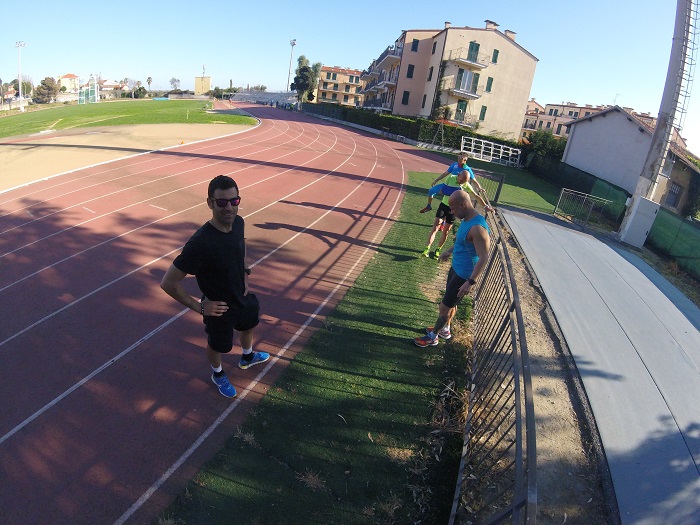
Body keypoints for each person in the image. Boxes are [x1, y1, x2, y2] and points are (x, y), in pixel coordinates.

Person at [160, 175, 270, 398]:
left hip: (242, 295)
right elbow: (168, 283)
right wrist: (200, 307)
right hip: (219, 307)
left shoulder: (238, 223)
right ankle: (217, 373)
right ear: (210, 203)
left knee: (249, 325)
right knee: (218, 345)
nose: (228, 207)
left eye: (234, 201)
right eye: (221, 202)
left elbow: (242, 245)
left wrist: (246, 271)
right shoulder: (200, 244)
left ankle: (247, 356)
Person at [414, 190, 491, 347]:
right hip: (456, 268)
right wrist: (448, 252)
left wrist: (470, 282)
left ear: (463, 204)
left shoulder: (478, 228)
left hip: (464, 275)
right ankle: (445, 329)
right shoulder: (466, 219)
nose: (451, 212)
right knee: (451, 304)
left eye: (454, 208)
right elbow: (461, 242)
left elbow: (484, 258)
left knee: (444, 307)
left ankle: (433, 337)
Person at [419, 166, 492, 259]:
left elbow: (476, 196)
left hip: (454, 210)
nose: (461, 182)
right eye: (461, 180)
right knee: (436, 226)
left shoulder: (465, 185)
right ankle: (427, 248)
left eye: (464, 181)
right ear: (458, 175)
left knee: (446, 231)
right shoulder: (450, 178)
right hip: (444, 205)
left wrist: (486, 206)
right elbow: (443, 190)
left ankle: (438, 249)